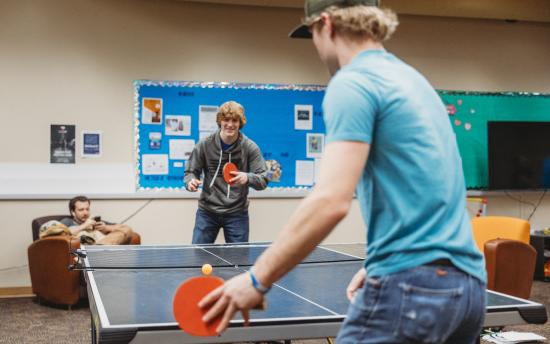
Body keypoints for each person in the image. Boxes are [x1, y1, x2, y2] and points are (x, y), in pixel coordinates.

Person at [198, 1, 487, 343]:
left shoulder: (353, 82)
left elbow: (330, 201)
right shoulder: (413, 80)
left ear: (327, 24)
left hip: (412, 286)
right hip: (466, 286)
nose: (317, 49)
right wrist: (378, 260)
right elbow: (438, 185)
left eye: (313, 36)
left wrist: (256, 279)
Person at [184, 100, 268, 244]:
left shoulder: (250, 147)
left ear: (240, 123)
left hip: (237, 213)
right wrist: (190, 181)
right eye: (226, 120)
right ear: (220, 121)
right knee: (197, 255)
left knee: (238, 261)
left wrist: (247, 177)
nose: (230, 124)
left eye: (235, 120)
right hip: (207, 212)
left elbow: (263, 179)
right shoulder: (205, 144)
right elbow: (190, 172)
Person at [60, 195, 134, 245]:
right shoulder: (67, 221)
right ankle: (100, 249)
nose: (85, 213)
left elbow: (122, 227)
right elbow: (55, 234)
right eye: (81, 210)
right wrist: (84, 226)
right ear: (73, 212)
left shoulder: (94, 221)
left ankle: (100, 248)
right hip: (84, 249)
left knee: (127, 229)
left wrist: (105, 228)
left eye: (87, 209)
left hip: (102, 245)